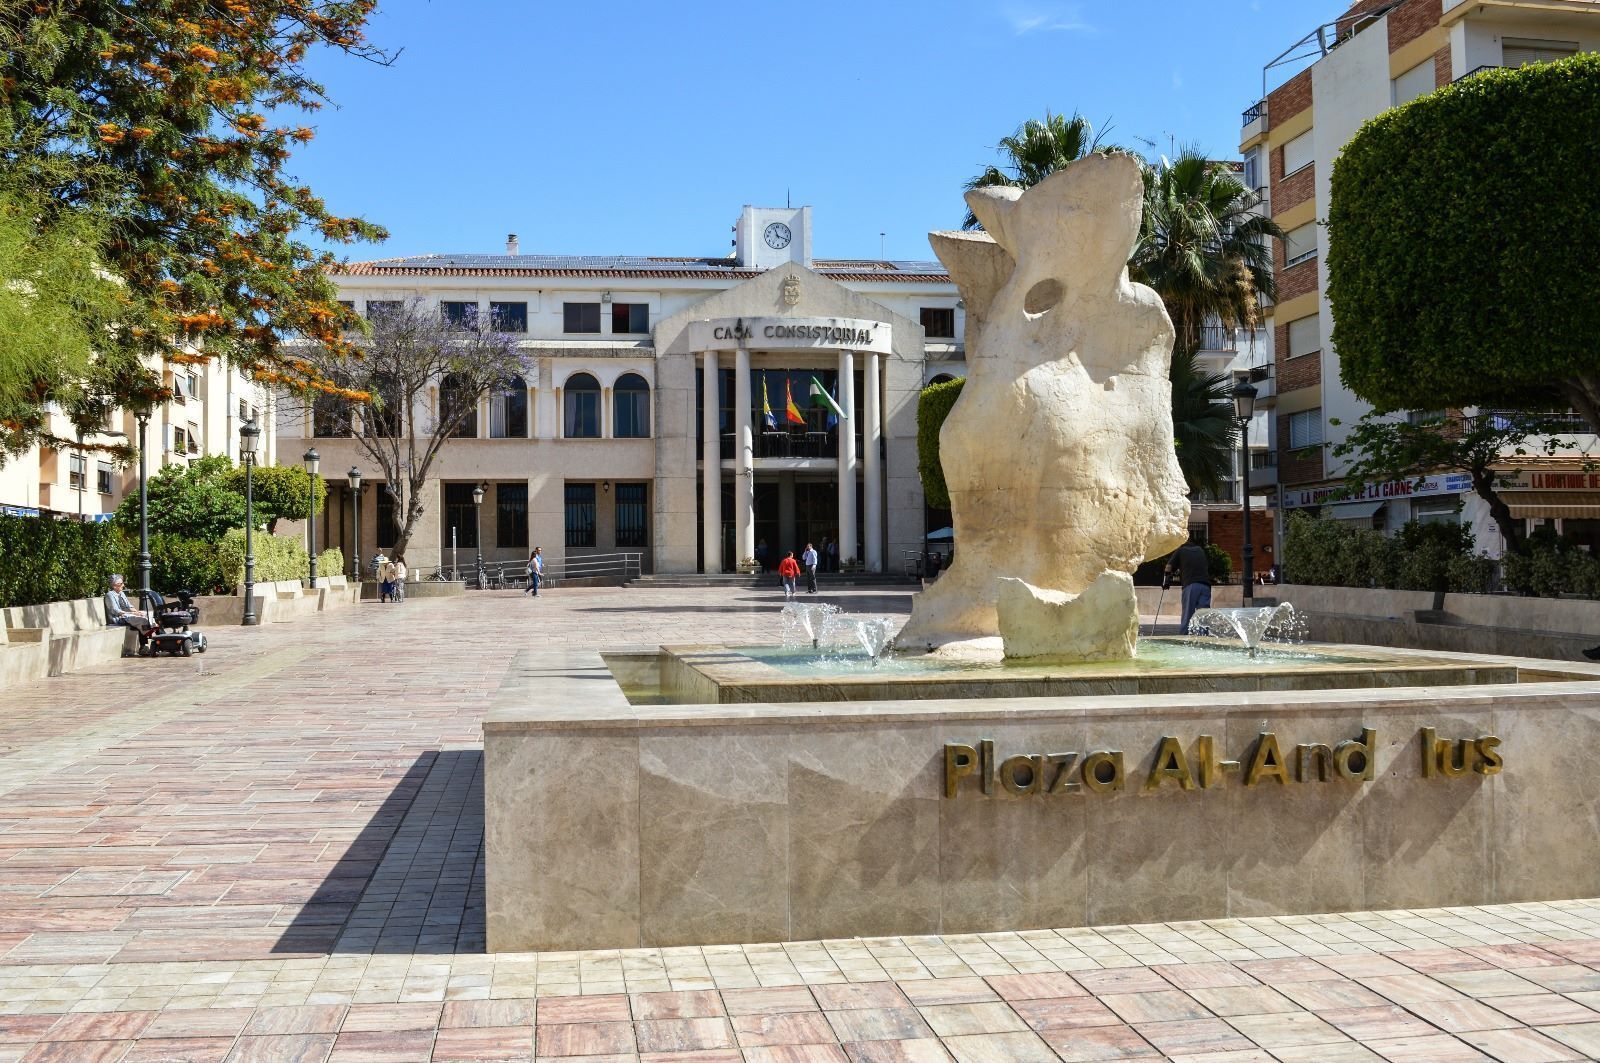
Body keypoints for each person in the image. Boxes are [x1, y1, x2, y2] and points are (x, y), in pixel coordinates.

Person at [1165, 536, 1213, 635]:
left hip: (1191, 585)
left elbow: (1168, 567)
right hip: (1205, 585)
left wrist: (1166, 580)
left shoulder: (1180, 550)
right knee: (1203, 614)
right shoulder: (1200, 550)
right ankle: (1203, 638)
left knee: (1187, 614)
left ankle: (1183, 637)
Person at [104, 574, 153, 656]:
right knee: (142, 620)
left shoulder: (121, 593)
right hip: (118, 618)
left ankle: (155, 639)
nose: (123, 585)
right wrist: (133, 614)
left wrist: (138, 612)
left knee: (146, 615)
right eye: (121, 584)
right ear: (114, 585)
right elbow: (116, 611)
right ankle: (143, 646)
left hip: (126, 615)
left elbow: (129, 606)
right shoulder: (110, 595)